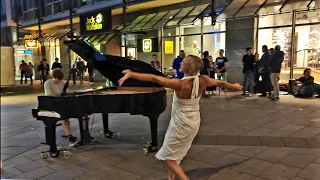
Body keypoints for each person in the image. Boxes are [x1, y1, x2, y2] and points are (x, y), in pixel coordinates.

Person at [118, 55, 242, 180]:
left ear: (190, 68)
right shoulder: (203, 79)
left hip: (181, 124)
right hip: (193, 122)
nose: (181, 63)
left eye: (184, 63)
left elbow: (154, 78)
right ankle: (171, 178)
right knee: (176, 154)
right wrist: (234, 86)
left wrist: (131, 74)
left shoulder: (180, 84)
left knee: (167, 156)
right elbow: (220, 83)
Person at [44, 69, 80, 147]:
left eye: (60, 78)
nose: (58, 80)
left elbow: (67, 92)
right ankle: (69, 137)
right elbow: (49, 95)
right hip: (53, 105)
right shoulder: (48, 83)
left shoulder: (63, 82)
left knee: (67, 119)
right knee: (65, 119)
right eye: (57, 78)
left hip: (62, 104)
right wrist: (61, 94)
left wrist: (69, 93)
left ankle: (70, 136)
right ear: (53, 76)